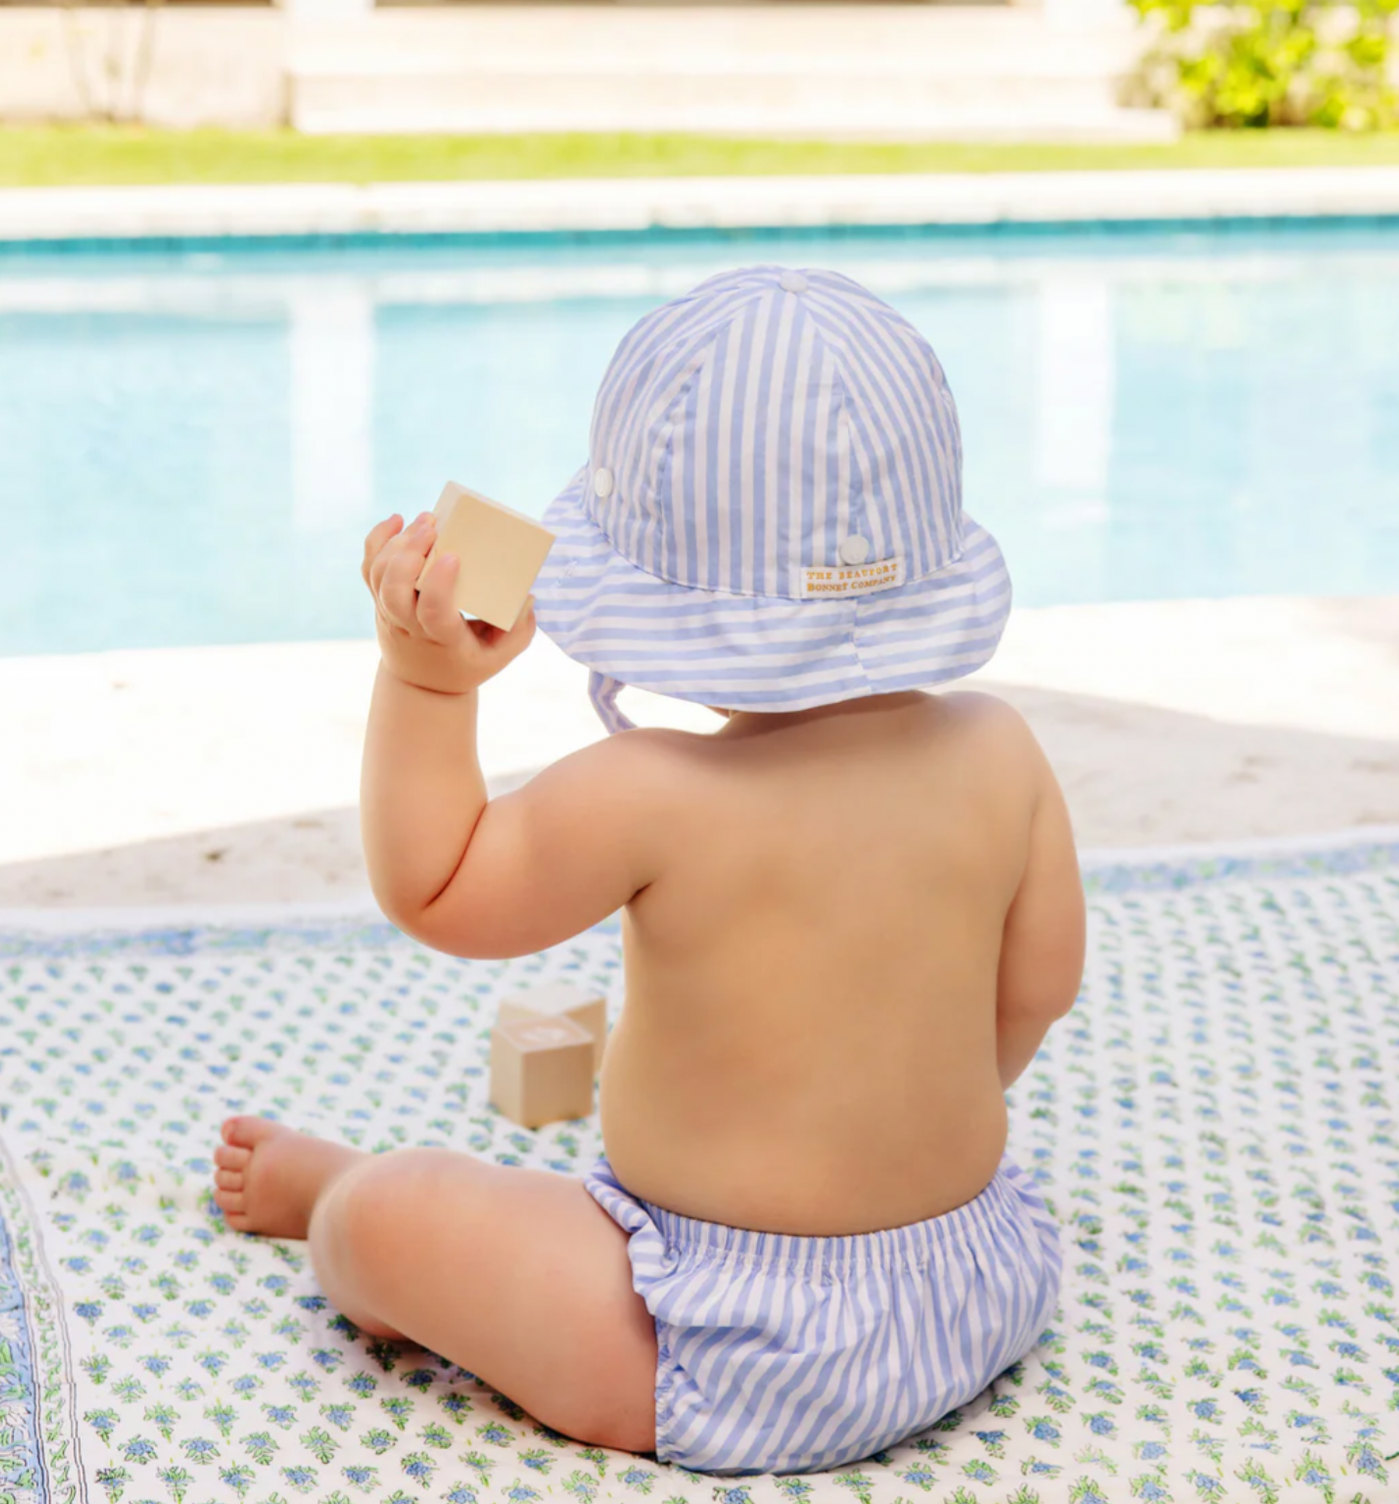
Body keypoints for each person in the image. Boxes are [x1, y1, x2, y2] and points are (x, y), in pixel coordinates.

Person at [212, 266, 1084, 1476]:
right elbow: (1037, 988)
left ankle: (338, 1193)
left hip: (720, 1345)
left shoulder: (656, 792)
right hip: (968, 1284)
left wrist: (424, 684)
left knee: (394, 1218)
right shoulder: (1000, 749)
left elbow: (436, 889)